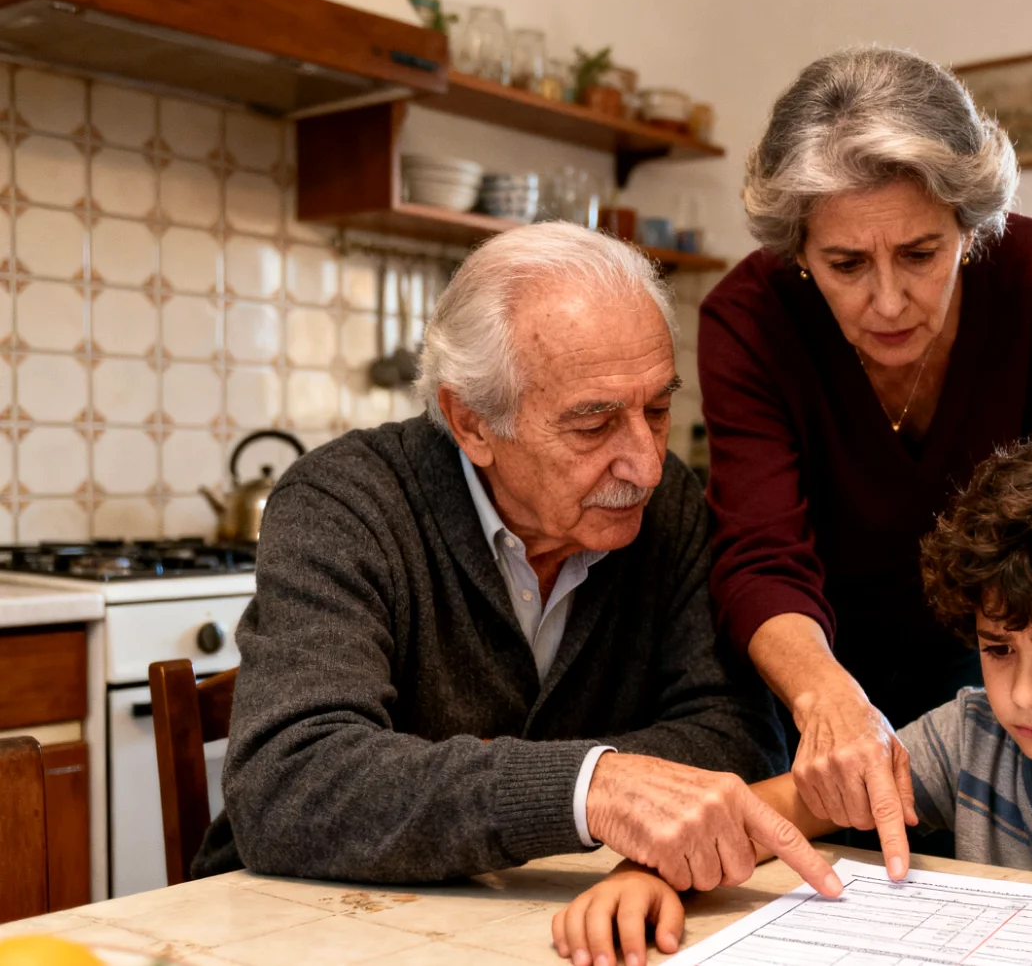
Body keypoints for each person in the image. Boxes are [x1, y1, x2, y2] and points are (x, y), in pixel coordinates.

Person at [192, 223, 840, 899]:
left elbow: (739, 739)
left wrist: (563, 790)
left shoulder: (666, 503)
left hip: (553, 916)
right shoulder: (345, 502)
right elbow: (291, 783)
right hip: (308, 922)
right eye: (593, 424)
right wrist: (588, 786)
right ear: (472, 422)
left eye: (657, 408)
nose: (645, 464)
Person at [550, 428, 1032, 966]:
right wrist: (648, 870)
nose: (1022, 692)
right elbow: (768, 812)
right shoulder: (972, 735)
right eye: (997, 647)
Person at [700, 46, 1032, 873]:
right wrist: (824, 693)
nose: (887, 302)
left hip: (991, 655)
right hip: (809, 660)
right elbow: (760, 552)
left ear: (970, 224)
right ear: (799, 251)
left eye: (922, 254)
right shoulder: (747, 318)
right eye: (846, 265)